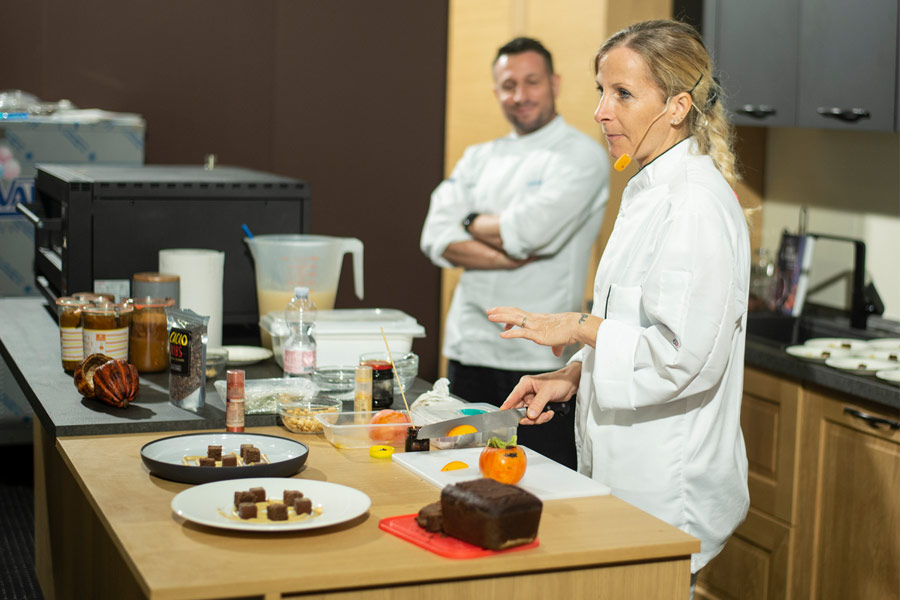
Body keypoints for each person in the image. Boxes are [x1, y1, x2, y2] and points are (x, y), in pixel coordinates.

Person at [486, 20, 750, 592]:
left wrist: (576, 326)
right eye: (601, 91)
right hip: (627, 474)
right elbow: (644, 328)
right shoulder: (648, 188)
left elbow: (681, 357)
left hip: (666, 487)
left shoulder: (694, 207)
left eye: (623, 94)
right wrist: (574, 374)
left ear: (677, 106)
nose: (603, 111)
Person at [420, 37, 610, 469]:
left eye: (531, 82)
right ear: (496, 92)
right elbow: (434, 235)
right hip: (469, 350)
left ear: (555, 83)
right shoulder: (478, 157)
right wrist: (505, 250)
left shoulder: (581, 156)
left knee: (543, 484)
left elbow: (530, 232)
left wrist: (469, 222)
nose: (520, 96)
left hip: (540, 361)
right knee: (458, 474)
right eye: (508, 85)